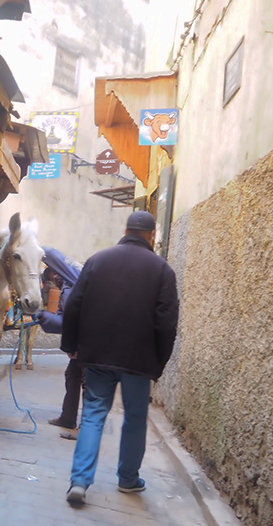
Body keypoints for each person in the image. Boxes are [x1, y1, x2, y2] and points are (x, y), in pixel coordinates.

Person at [59, 211, 179, 505]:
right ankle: (128, 479)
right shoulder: (163, 270)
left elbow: (73, 305)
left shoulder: (98, 260)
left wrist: (72, 346)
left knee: (93, 415)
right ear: (151, 235)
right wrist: (159, 362)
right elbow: (167, 323)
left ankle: (79, 482)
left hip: (98, 354)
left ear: (125, 229)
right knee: (135, 418)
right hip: (139, 360)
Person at [33, 248, 83, 432]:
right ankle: (68, 418)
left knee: (86, 382)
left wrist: (36, 245)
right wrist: (47, 318)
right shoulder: (68, 286)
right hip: (80, 342)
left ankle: (86, 429)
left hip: (87, 342)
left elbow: (70, 320)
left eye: (52, 279)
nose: (54, 282)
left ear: (55, 272)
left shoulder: (72, 282)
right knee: (73, 376)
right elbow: (63, 320)